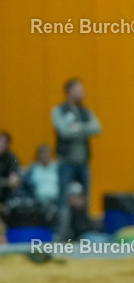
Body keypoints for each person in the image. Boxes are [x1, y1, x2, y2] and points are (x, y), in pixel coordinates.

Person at [51, 78, 101, 216]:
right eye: (79, 89)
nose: (82, 92)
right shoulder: (58, 110)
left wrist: (77, 127)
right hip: (66, 161)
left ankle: (82, 229)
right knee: (63, 196)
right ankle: (62, 230)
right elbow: (64, 131)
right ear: (69, 91)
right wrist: (84, 129)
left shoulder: (85, 111)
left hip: (83, 161)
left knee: (85, 197)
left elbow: (97, 128)